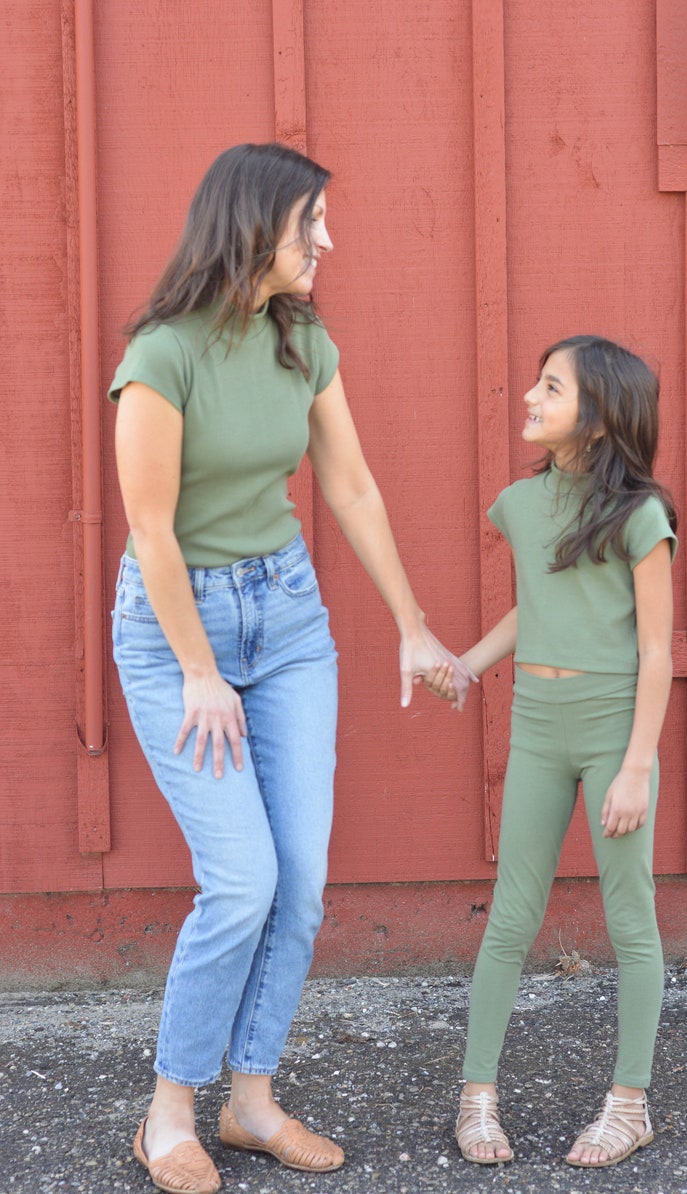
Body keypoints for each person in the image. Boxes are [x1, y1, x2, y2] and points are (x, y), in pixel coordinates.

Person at [109, 141, 472, 1194]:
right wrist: (197, 669)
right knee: (241, 881)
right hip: (180, 630)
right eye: (309, 222)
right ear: (250, 228)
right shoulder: (162, 355)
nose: (326, 241)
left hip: (286, 618)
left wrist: (408, 621)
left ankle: (250, 1100)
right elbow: (152, 528)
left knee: (301, 882)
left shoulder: (299, 338)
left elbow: (349, 488)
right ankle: (168, 1111)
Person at [424, 335, 677, 1169]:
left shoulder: (642, 517)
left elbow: (654, 652)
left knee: (629, 919)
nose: (530, 397)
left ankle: (629, 1104)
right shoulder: (521, 503)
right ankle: (477, 1098)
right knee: (511, 916)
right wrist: (467, 664)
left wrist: (637, 763)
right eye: (536, 382)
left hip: (613, 728)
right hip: (537, 722)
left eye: (551, 387)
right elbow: (533, 609)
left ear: (598, 418)